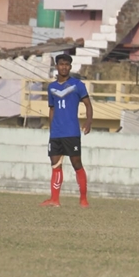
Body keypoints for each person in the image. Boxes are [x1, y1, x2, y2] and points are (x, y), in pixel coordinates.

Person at [42, 54, 93, 207]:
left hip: (71, 131)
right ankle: (54, 199)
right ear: (56, 66)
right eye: (61, 64)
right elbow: (52, 110)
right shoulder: (51, 87)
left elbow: (88, 105)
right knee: (55, 165)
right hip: (56, 133)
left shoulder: (77, 84)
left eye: (66, 64)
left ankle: (83, 199)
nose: (63, 67)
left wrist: (88, 122)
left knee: (76, 163)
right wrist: (52, 130)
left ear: (70, 67)